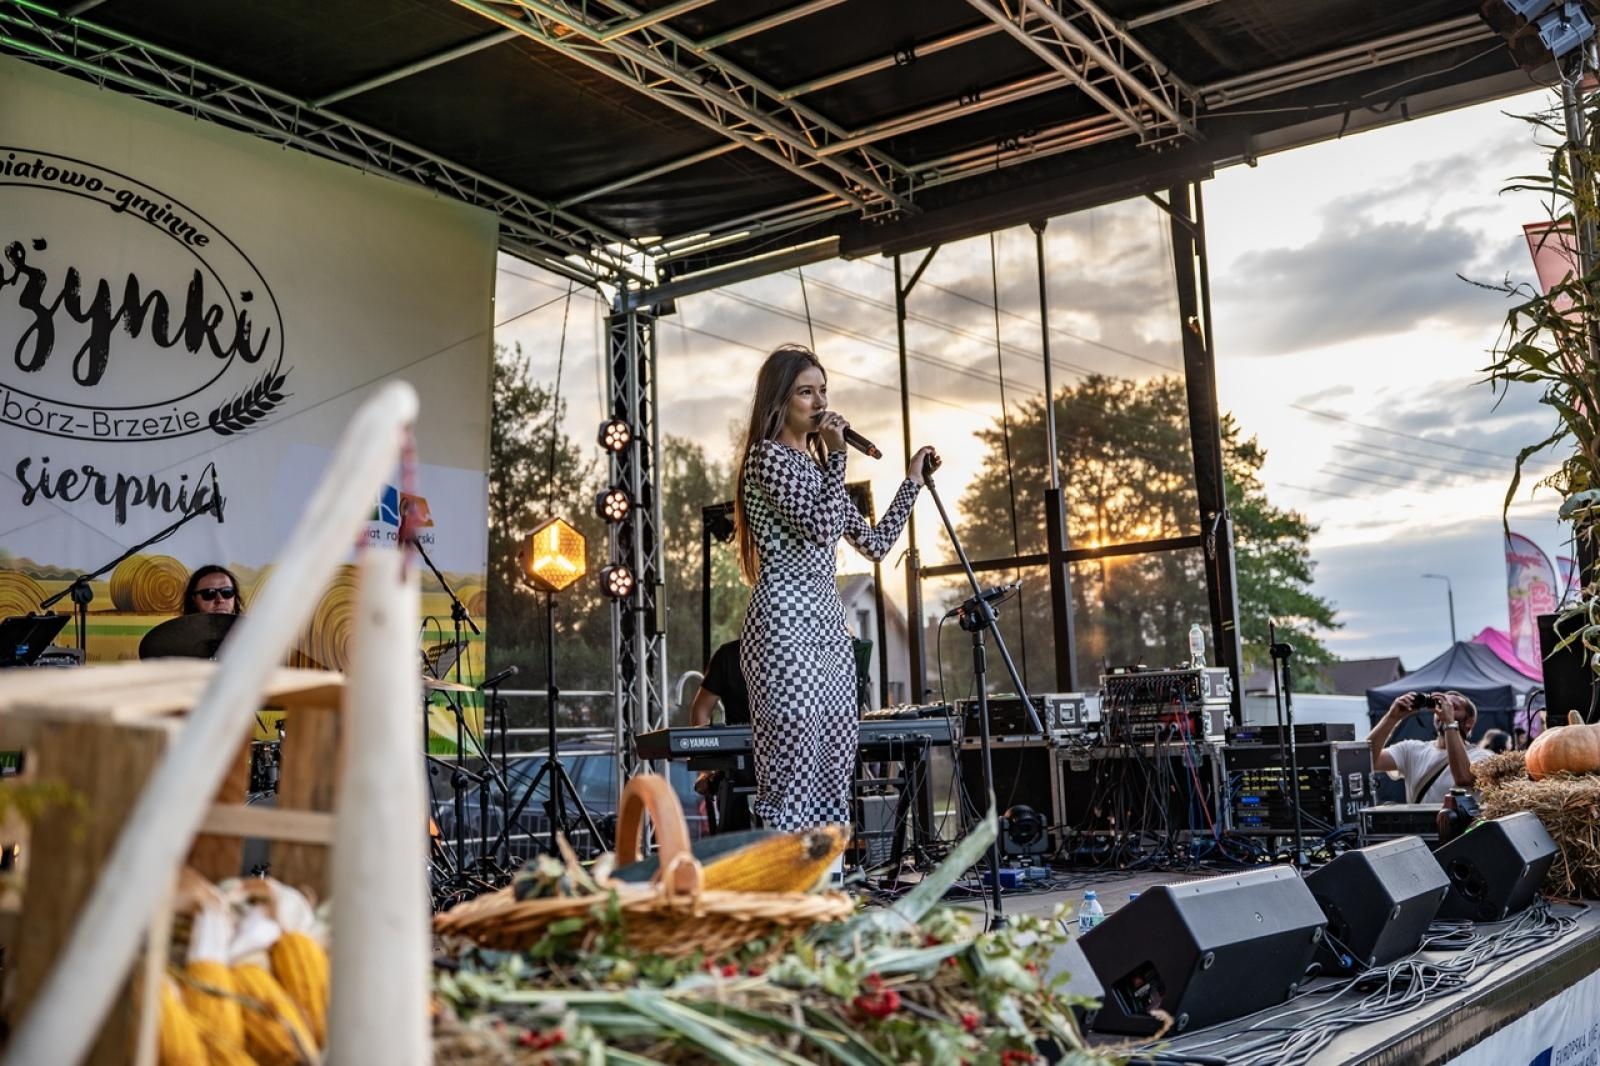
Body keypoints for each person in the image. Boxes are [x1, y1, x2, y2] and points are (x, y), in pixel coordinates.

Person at [734, 344, 936, 831]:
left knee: (837, 745)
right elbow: (820, 528)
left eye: (823, 390)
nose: (820, 402)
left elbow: (874, 543)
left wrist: (911, 482)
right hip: (783, 619)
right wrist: (839, 456)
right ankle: (783, 881)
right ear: (779, 401)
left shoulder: (818, 472)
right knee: (794, 749)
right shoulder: (766, 459)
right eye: (807, 391)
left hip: (826, 623)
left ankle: (828, 877)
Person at [1368, 690, 1492, 805]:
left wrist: (1449, 722)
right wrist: (1392, 717)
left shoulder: (1484, 757)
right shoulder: (1411, 750)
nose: (1444, 709)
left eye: (1453, 707)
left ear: (1469, 722)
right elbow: (1368, 761)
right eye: (1440, 704)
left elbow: (1464, 778)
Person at [690, 639, 755, 832]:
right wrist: (706, 766)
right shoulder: (730, 654)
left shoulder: (806, 649)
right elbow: (702, 708)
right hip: (741, 762)